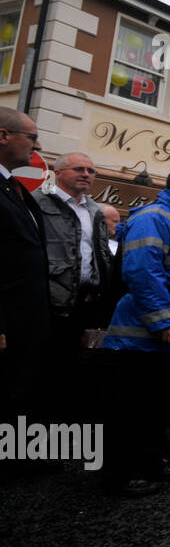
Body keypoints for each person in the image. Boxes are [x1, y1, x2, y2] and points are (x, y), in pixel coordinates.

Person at [101, 163, 170, 497]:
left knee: (156, 405)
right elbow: (142, 272)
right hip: (143, 334)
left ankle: (150, 463)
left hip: (168, 330)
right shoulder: (155, 217)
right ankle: (121, 475)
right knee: (133, 408)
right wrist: (163, 319)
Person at [36, 153, 112, 413]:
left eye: (91, 171)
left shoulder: (94, 209)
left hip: (86, 300)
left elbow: (100, 254)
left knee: (75, 366)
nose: (86, 175)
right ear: (58, 172)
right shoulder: (39, 202)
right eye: (79, 169)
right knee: (45, 366)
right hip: (50, 298)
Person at [0, 108, 51, 423]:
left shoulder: (14, 189)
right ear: (3, 136)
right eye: (31, 137)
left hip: (27, 321)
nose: (39, 146)